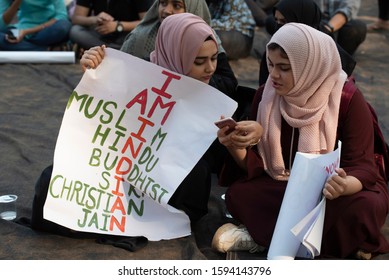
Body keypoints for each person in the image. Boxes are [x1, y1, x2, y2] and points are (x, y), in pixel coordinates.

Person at [211, 22, 389, 259]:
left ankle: (265, 236)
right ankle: (341, 243)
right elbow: (256, 169)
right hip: (284, 185)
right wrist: (235, 145)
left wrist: (343, 185)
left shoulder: (346, 99)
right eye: (271, 65)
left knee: (363, 207)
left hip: (332, 193)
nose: (273, 75)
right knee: (240, 194)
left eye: (284, 68)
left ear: (310, 66)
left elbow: (363, 167)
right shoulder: (267, 96)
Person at [34, 13, 220, 233]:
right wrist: (95, 73)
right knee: (50, 181)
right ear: (176, 54)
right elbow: (101, 120)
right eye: (199, 61)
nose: (210, 68)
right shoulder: (138, 73)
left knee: (197, 174)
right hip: (116, 166)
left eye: (214, 58)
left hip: (164, 177)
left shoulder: (214, 91)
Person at [120, 0, 238, 99]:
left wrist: (192, 83)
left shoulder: (209, 40)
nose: (166, 10)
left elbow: (230, 85)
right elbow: (121, 84)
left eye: (177, 5)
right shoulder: (143, 56)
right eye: (163, 3)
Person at [259, 0, 356, 86]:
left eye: (284, 21)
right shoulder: (273, 51)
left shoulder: (326, 56)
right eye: (277, 21)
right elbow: (264, 91)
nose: (274, 74)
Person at [69, 0, 153, 51]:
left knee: (140, 37)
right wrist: (95, 19)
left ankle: (105, 50)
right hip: (101, 33)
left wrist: (118, 26)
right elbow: (76, 18)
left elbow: (147, 22)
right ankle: (117, 51)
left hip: (127, 35)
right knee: (75, 31)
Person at [0, 0, 72, 51]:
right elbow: (1, 25)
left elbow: (62, 15)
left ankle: (24, 46)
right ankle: (47, 49)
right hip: (22, 28)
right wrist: (17, 2)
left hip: (47, 29)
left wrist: (26, 32)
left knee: (63, 26)